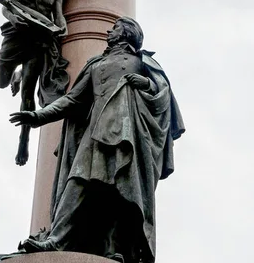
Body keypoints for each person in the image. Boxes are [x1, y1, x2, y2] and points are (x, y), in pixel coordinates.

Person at [10, 17, 185, 262]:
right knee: (77, 181)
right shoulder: (96, 64)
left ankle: (114, 248)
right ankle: (57, 238)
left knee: (119, 190)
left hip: (127, 135)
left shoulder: (143, 61)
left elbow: (163, 95)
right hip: (96, 132)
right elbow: (72, 100)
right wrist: (39, 116)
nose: (109, 32)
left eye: (114, 28)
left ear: (127, 33)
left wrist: (145, 82)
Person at [0, 0, 68, 166]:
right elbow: (7, 6)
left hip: (39, 43)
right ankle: (14, 73)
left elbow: (59, 18)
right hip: (17, 36)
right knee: (2, 82)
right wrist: (12, 18)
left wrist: (61, 28)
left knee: (27, 97)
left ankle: (23, 141)